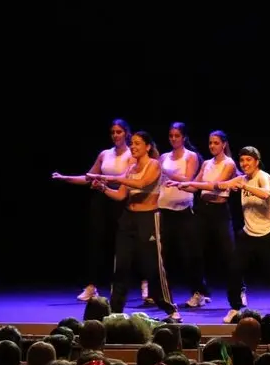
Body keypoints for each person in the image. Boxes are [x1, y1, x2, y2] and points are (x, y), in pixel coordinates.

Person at [176, 147, 270, 323]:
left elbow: (265, 193)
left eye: (248, 160)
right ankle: (235, 308)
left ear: (256, 161)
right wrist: (188, 185)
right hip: (248, 234)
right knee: (234, 270)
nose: (244, 164)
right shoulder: (242, 178)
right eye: (242, 160)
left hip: (269, 234)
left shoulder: (263, 177)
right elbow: (215, 185)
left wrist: (244, 186)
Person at [52, 118, 148, 303]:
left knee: (122, 246)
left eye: (119, 132)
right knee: (96, 243)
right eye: (112, 132)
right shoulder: (105, 154)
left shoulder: (131, 155)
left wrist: (101, 179)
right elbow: (89, 177)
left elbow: (124, 178)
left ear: (126, 133)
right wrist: (65, 178)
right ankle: (91, 286)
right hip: (101, 201)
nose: (115, 135)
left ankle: (130, 284)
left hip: (119, 201)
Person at [89, 132, 180, 321]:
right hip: (128, 219)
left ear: (147, 146)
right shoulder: (131, 167)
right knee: (121, 266)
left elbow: (142, 183)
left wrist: (110, 178)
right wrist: (103, 187)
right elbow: (121, 195)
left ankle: (171, 310)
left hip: (148, 219)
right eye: (132, 143)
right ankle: (115, 312)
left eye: (138, 143)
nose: (133, 146)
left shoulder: (153, 164)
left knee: (153, 266)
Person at [166, 130, 241, 313]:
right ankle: (198, 291)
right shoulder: (206, 163)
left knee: (228, 253)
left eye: (216, 143)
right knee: (194, 252)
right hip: (203, 210)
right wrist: (179, 185)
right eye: (210, 143)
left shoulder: (229, 163)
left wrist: (189, 184)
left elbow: (215, 184)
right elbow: (194, 186)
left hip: (220, 212)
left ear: (223, 144)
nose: (212, 146)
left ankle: (239, 290)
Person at [157, 122, 206, 308]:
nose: (173, 139)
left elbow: (188, 179)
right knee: (164, 254)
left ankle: (198, 291)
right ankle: (164, 294)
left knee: (189, 254)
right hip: (165, 209)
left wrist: (167, 172)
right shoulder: (163, 157)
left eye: (177, 136)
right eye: (171, 136)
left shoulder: (190, 156)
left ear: (184, 137)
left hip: (184, 209)